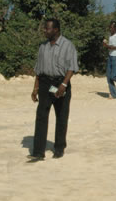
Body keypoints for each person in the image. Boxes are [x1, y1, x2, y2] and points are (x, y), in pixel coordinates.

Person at [29, 19, 79, 161]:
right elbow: (38, 69)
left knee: (61, 116)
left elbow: (72, 67)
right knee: (41, 116)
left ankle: (59, 148)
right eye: (44, 28)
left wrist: (63, 85)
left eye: (47, 29)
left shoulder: (67, 45)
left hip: (60, 83)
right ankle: (38, 152)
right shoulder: (43, 47)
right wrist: (35, 88)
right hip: (45, 84)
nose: (44, 31)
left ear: (56, 30)